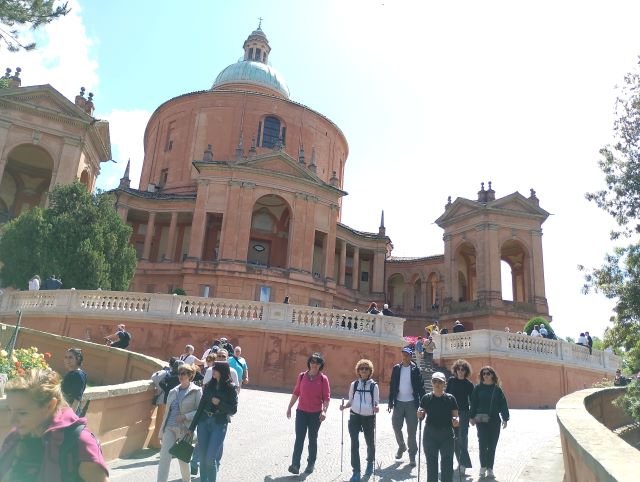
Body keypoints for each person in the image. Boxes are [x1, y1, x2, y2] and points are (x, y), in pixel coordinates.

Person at [0, 369, 109, 481]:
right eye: (9, 410)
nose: (12, 420)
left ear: (50, 405)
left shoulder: (79, 442)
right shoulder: (15, 438)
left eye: (22, 413)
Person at [188, 361, 238, 482]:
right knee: (203, 458)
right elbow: (201, 407)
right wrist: (191, 427)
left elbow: (233, 409)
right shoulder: (209, 385)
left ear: (222, 371)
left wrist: (219, 403)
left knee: (210, 459)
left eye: (215, 369)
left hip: (219, 424)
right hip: (203, 422)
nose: (213, 371)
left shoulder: (230, 388)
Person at [286, 353, 331, 475]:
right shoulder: (302, 376)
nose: (314, 364)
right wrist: (290, 407)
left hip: (315, 414)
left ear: (321, 365)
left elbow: (326, 398)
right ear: (309, 363)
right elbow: (296, 392)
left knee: (312, 438)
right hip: (301, 412)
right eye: (312, 361)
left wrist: (324, 411)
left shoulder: (323, 379)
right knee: (299, 438)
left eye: (317, 362)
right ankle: (295, 465)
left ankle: (311, 463)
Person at [157, 363, 202, 482]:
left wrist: (185, 416)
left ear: (190, 376)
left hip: (185, 429)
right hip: (169, 428)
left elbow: (200, 411)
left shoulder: (197, 391)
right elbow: (167, 413)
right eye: (179, 374)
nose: (180, 376)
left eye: (183, 374)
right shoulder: (173, 391)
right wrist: (161, 431)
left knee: (182, 460)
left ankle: (187, 480)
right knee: (164, 458)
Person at [340, 359, 380, 482]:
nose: (364, 370)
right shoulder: (354, 385)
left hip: (368, 417)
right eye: (361, 368)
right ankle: (356, 471)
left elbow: (376, 403)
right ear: (358, 370)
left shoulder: (374, 386)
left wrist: (376, 408)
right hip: (354, 416)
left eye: (366, 368)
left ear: (370, 371)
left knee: (370, 442)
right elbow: (350, 401)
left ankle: (370, 463)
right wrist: (344, 406)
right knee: (354, 444)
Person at [417, 372, 459, 482]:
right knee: (431, 464)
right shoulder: (426, 398)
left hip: (447, 434)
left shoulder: (450, 398)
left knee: (447, 464)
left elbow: (455, 416)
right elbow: (421, 414)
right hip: (430, 434)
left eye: (440, 382)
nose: (437, 384)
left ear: (444, 384)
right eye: (434, 381)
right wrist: (419, 414)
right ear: (431, 382)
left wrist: (456, 421)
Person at [469, 366, 510, 479]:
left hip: (494, 421)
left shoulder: (497, 390)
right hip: (481, 421)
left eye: (488, 373)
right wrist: (471, 417)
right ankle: (483, 466)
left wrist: (505, 418)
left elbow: (503, 404)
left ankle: (490, 468)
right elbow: (473, 403)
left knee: (492, 446)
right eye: (483, 374)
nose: (485, 375)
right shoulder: (478, 388)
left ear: (492, 375)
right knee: (482, 444)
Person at [388, 347, 425, 467]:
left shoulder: (415, 369)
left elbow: (421, 387)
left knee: (412, 432)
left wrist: (423, 404)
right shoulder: (396, 368)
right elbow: (392, 385)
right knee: (396, 426)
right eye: (403, 354)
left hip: (412, 404)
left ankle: (412, 455)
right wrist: (390, 401)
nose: (405, 357)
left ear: (411, 356)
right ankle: (401, 445)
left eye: (407, 355)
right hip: (398, 402)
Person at [445, 359, 474, 474]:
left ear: (466, 371)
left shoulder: (469, 384)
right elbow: (446, 396)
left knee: (462, 438)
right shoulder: (451, 381)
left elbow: (473, 401)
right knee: (453, 439)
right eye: (459, 369)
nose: (460, 371)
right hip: (451, 413)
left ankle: (463, 464)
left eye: (463, 369)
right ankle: (459, 461)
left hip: (464, 413)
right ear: (455, 370)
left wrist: (472, 416)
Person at [62, 348, 88, 414]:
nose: (67, 360)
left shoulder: (78, 375)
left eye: (70, 357)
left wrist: (70, 416)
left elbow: (77, 399)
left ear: (77, 359)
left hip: (70, 411)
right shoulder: (72, 373)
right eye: (66, 357)